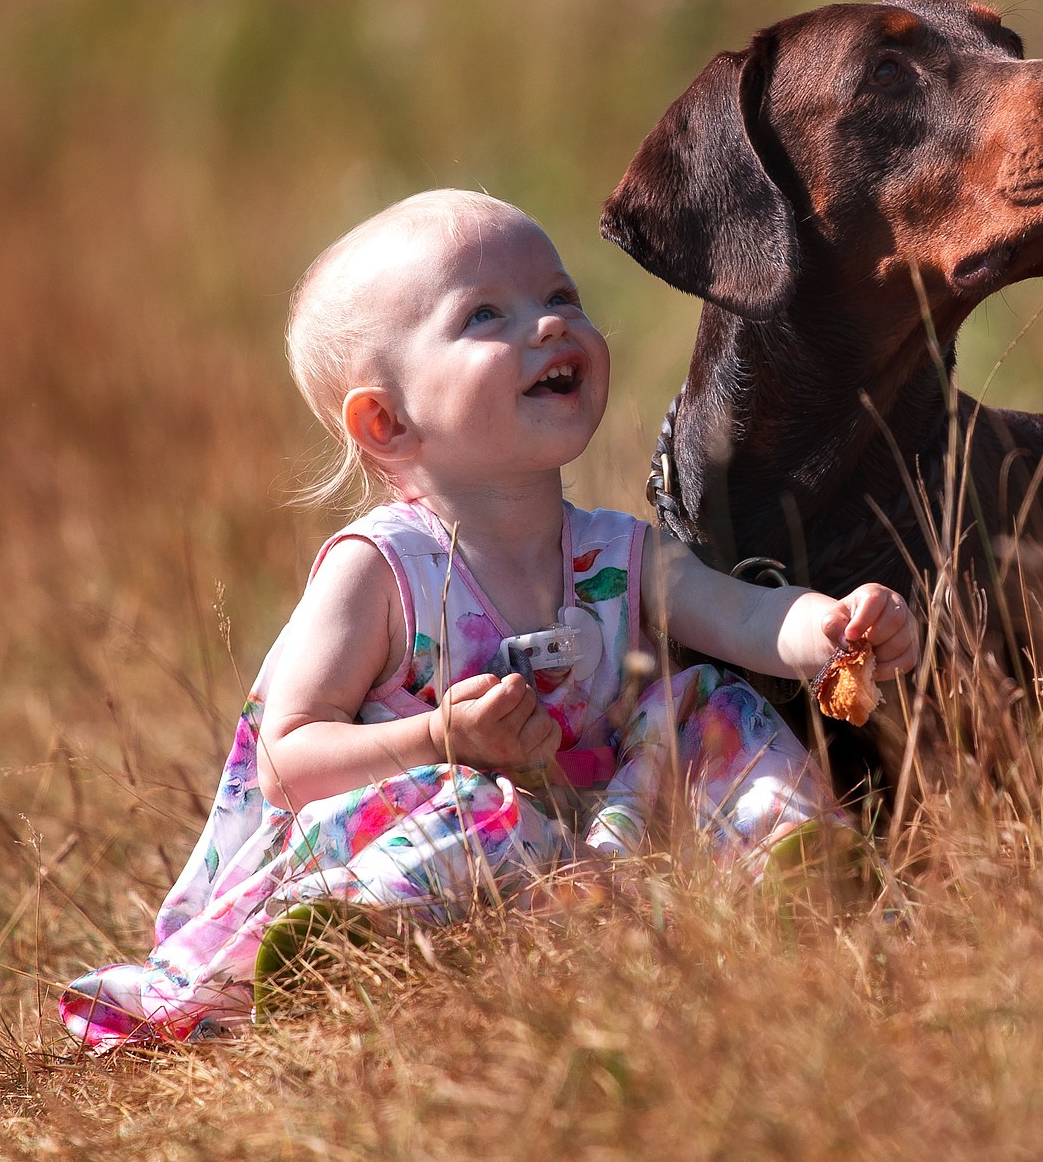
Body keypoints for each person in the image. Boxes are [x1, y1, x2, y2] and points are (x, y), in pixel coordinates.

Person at [58, 189, 915, 1048]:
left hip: (598, 857)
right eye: (485, 315)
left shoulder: (618, 555)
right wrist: (440, 739)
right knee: (467, 805)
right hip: (417, 844)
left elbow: (740, 613)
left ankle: (794, 879)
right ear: (385, 420)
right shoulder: (380, 570)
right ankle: (348, 957)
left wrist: (831, 628)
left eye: (561, 297)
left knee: (705, 705)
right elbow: (288, 761)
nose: (548, 326)